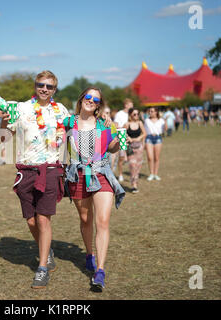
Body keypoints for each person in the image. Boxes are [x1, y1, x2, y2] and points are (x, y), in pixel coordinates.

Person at [0, 70, 70, 289]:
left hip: (50, 168)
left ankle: (42, 268)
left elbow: (72, 134)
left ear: (55, 89)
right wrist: (3, 123)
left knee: (43, 219)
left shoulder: (61, 111)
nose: (45, 89)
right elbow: (5, 135)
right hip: (26, 169)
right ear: (35, 86)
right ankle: (46, 249)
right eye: (41, 85)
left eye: (49, 86)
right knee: (30, 220)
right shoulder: (21, 108)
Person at [63, 87, 125, 290]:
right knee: (85, 218)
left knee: (103, 221)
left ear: (98, 105)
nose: (91, 100)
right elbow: (54, 140)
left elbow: (114, 147)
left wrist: (115, 137)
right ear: (81, 99)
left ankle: (100, 270)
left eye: (95, 99)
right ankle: (88, 254)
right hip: (78, 175)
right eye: (88, 97)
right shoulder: (68, 122)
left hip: (101, 173)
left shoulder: (105, 124)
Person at [123, 108, 146, 193]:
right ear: (130, 115)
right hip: (130, 148)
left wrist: (138, 138)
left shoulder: (140, 123)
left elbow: (144, 133)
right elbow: (121, 134)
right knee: (132, 166)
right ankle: (134, 185)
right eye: (134, 114)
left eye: (137, 114)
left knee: (138, 167)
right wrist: (127, 137)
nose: (136, 116)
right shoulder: (127, 124)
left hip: (139, 147)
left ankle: (135, 182)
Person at [114, 98, 133, 182]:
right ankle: (121, 174)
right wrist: (123, 127)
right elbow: (115, 126)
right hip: (122, 136)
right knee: (121, 158)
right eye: (130, 105)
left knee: (132, 158)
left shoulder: (132, 114)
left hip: (131, 137)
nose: (132, 107)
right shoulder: (119, 114)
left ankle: (133, 175)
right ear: (126, 105)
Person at [144, 107, 166, 181]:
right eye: (150, 111)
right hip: (149, 138)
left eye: (152, 111)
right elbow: (144, 131)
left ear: (156, 112)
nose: (150, 112)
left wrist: (165, 121)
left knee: (156, 158)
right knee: (150, 158)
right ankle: (151, 174)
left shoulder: (161, 120)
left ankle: (156, 174)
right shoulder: (146, 120)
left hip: (158, 138)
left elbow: (165, 130)